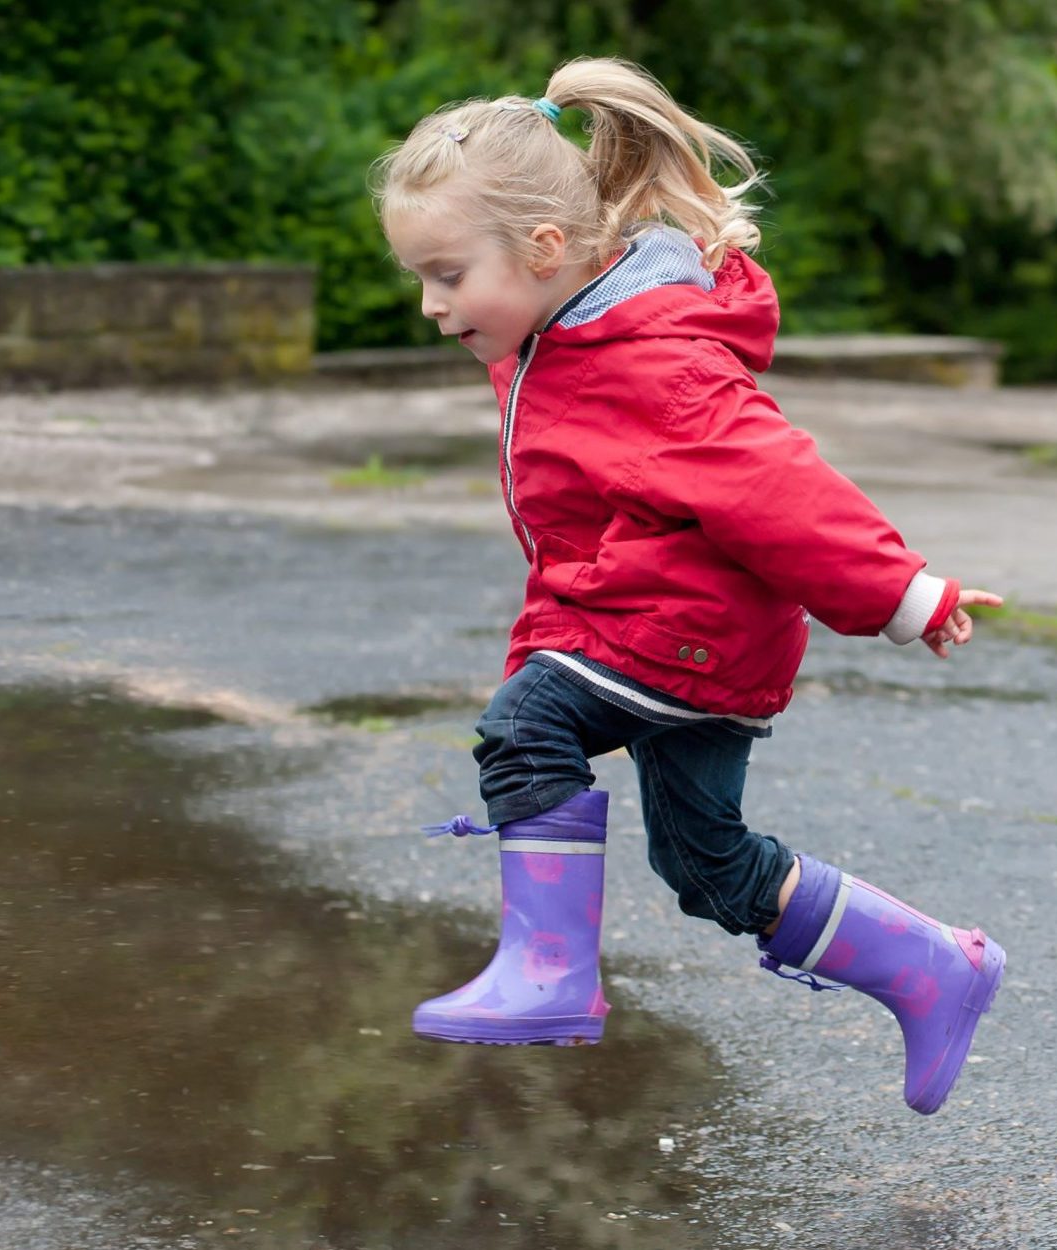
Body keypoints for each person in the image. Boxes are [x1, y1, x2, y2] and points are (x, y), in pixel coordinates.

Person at [377, 57, 1007, 1115]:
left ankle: (550, 975)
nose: (432, 305)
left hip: (680, 636)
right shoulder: (560, 335)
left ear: (541, 250)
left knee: (525, 727)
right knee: (708, 868)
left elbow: (777, 484)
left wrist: (902, 593)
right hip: (670, 640)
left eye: (446, 273)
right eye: (421, 279)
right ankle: (937, 967)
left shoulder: (653, 361)